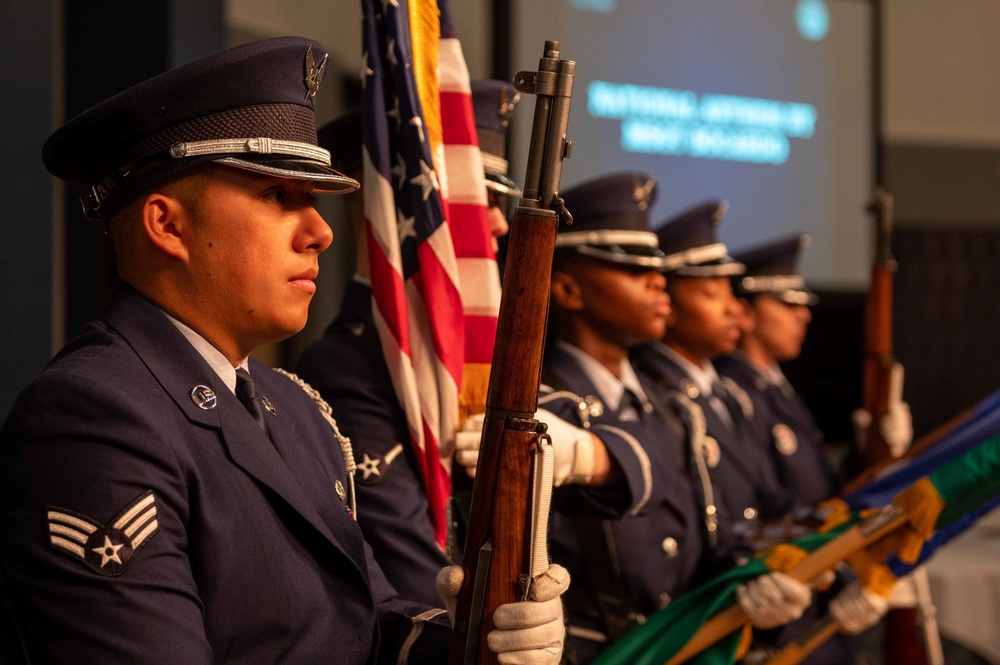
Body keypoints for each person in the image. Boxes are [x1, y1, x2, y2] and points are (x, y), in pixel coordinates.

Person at [0, 39, 564, 665]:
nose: (321, 231)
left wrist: (472, 641)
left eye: (314, 200)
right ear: (168, 226)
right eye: (277, 196)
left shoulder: (293, 406)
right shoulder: (94, 418)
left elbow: (366, 623)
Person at [530, 174, 813, 663]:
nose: (659, 280)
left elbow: (713, 530)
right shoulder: (547, 405)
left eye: (656, 268)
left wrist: (747, 577)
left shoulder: (672, 408)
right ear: (569, 288)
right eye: (633, 269)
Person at [294, 79, 522, 607]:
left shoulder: (482, 350)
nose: (497, 222)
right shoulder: (347, 366)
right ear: (400, 210)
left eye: (496, 199)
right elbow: (417, 585)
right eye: (471, 198)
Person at [632, 201, 798, 530]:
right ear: (670, 307)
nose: (733, 309)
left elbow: (766, 493)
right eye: (712, 294)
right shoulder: (657, 393)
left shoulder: (729, 394)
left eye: (730, 294)